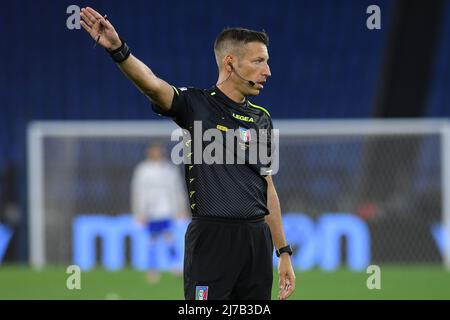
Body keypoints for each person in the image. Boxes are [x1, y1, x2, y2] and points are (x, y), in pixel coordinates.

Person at [80, 6, 296, 300]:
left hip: (257, 242)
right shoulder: (196, 105)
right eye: (258, 61)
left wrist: (283, 251)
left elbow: (267, 186)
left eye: (267, 62)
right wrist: (119, 50)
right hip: (211, 238)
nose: (267, 71)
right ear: (230, 63)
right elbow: (153, 86)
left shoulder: (262, 119)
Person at [131, 142, 187, 283]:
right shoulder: (143, 170)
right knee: (152, 240)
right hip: (150, 211)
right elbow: (137, 191)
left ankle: (175, 266)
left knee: (169, 238)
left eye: (158, 150)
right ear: (149, 152)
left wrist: (181, 207)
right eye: (153, 150)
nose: (156, 153)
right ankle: (152, 269)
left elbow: (178, 189)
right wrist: (139, 211)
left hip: (167, 209)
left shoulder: (169, 169)